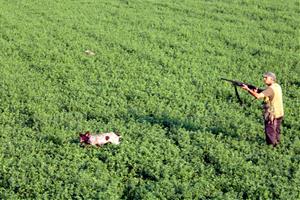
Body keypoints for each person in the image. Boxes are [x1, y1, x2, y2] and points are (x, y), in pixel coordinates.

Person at [242, 72, 284, 147]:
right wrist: (257, 89)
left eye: (266, 78)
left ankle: (271, 149)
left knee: (270, 131)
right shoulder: (277, 86)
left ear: (271, 79)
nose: (264, 79)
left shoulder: (270, 89)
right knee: (276, 131)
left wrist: (248, 89)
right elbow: (266, 92)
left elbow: (258, 96)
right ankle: (277, 145)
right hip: (279, 113)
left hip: (272, 115)